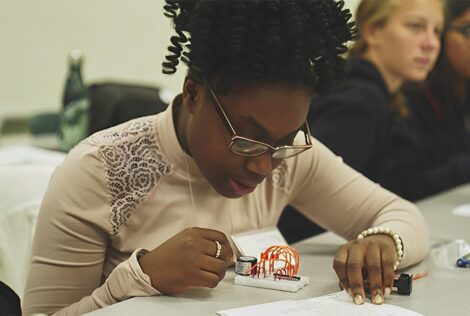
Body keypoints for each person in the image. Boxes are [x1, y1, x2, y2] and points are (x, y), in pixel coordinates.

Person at [23, 1, 428, 314]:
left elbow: (403, 215)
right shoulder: (101, 170)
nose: (263, 167)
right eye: (247, 139)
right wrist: (140, 277)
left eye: (284, 141)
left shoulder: (290, 158)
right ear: (193, 94)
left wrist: (382, 241)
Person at [307, 0, 444, 183]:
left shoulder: (390, 94)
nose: (432, 43)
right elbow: (317, 191)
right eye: (416, 26)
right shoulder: (358, 100)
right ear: (372, 31)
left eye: (437, 31)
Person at [384, 0, 470, 201]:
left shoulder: (461, 93)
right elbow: (405, 184)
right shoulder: (406, 94)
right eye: (468, 29)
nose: (429, 43)